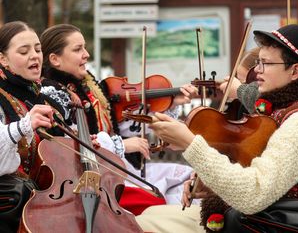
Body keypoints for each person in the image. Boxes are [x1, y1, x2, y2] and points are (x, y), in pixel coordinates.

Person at [137, 24, 298, 232]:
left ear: (295, 71)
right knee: (150, 213)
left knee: (142, 224)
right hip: (248, 217)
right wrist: (212, 184)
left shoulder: (295, 122)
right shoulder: (276, 109)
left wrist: (190, 143)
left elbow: (254, 193)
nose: (257, 70)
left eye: (266, 63)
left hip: (260, 223)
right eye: (258, 62)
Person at [39, 23, 199, 214]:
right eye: (77, 49)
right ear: (55, 59)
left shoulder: (88, 86)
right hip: (93, 180)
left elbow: (117, 125)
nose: (86, 54)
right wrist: (122, 145)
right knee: (156, 201)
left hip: (117, 169)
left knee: (191, 180)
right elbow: (72, 142)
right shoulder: (53, 93)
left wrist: (170, 103)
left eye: (84, 47)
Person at [0, 21, 74, 232]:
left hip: (50, 199)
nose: (35, 55)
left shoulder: (44, 99)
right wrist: (23, 126)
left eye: (38, 49)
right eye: (24, 51)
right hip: (14, 210)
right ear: (2, 59)